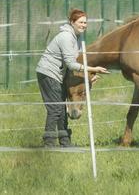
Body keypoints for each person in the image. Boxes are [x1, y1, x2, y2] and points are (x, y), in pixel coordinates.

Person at [36, 9, 109, 147]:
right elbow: (71, 64)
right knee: (55, 109)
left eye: (85, 22)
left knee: (62, 108)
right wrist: (94, 69)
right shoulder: (66, 37)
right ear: (72, 22)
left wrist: (88, 79)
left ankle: (65, 142)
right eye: (80, 22)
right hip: (48, 73)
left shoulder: (78, 37)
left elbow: (80, 60)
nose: (84, 25)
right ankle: (49, 142)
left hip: (59, 74)